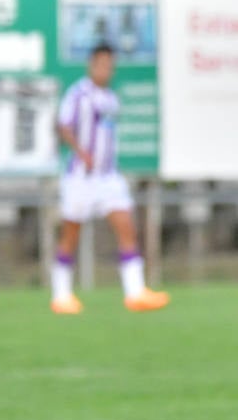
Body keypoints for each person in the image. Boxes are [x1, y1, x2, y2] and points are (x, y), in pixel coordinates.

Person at [50, 42, 169, 314]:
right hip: (81, 177)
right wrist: (82, 153)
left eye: (110, 65)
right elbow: (63, 125)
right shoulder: (79, 94)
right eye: (103, 64)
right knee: (70, 233)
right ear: (92, 65)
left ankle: (135, 292)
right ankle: (61, 295)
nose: (107, 70)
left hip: (108, 177)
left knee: (127, 225)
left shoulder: (111, 98)